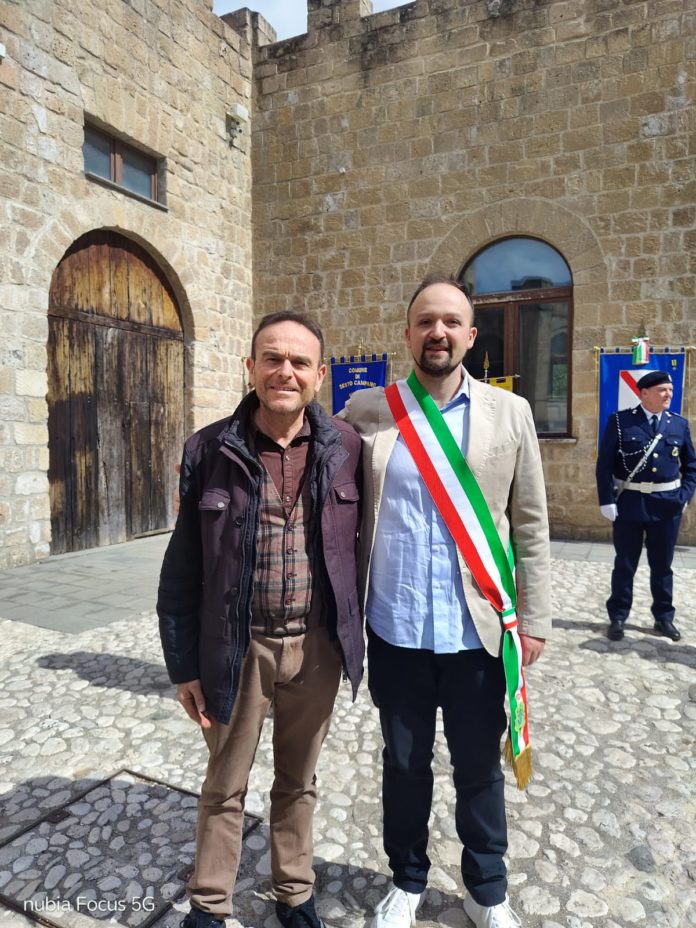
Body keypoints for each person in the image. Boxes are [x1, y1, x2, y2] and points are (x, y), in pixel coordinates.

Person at [342, 273, 551, 928]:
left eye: (450, 322)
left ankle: (486, 890)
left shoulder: (509, 414)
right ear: (407, 335)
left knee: (479, 768)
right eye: (425, 321)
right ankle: (406, 878)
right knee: (403, 766)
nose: (437, 332)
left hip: (477, 635)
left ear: (470, 334)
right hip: (396, 630)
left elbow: (532, 525)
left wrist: (536, 619)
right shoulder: (366, 411)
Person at [157, 311, 364, 928]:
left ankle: (294, 893)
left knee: (297, 780)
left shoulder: (348, 447)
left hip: (316, 646)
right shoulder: (208, 448)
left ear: (320, 375)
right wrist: (183, 664)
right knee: (225, 783)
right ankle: (210, 902)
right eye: (272, 358)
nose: (285, 371)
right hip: (235, 648)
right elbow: (182, 568)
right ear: (250, 368)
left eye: (300, 362)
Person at [596, 369, 696, 642]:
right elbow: (604, 465)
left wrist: (684, 497)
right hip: (629, 505)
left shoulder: (678, 425)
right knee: (625, 564)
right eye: (663, 390)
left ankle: (664, 617)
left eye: (670, 391)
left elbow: (691, 467)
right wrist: (606, 499)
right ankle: (618, 616)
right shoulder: (620, 422)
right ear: (644, 394)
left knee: (662, 566)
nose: (669, 395)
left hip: (666, 507)